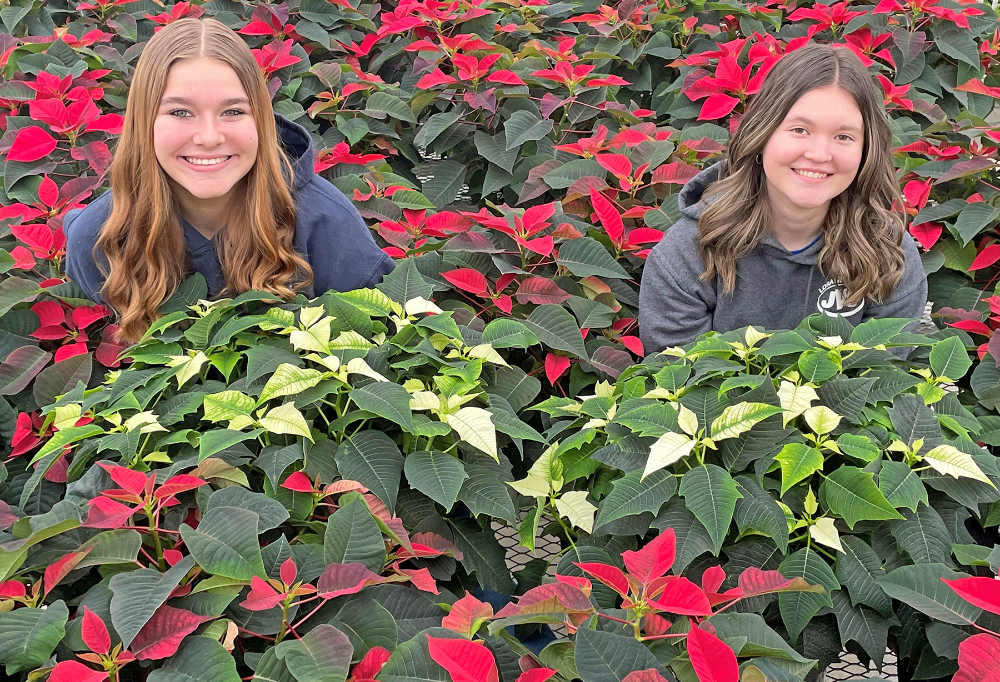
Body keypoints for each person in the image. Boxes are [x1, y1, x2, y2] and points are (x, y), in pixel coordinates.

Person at [64, 17, 394, 343]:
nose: (209, 137)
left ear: (260, 121)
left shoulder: (327, 225)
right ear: (143, 123)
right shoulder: (100, 237)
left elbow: (388, 348)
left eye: (233, 111)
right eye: (180, 112)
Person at [638, 43, 927, 355]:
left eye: (843, 136)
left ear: (865, 151)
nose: (819, 154)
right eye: (800, 129)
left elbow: (879, 380)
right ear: (762, 134)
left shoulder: (888, 252)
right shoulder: (686, 255)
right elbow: (677, 381)